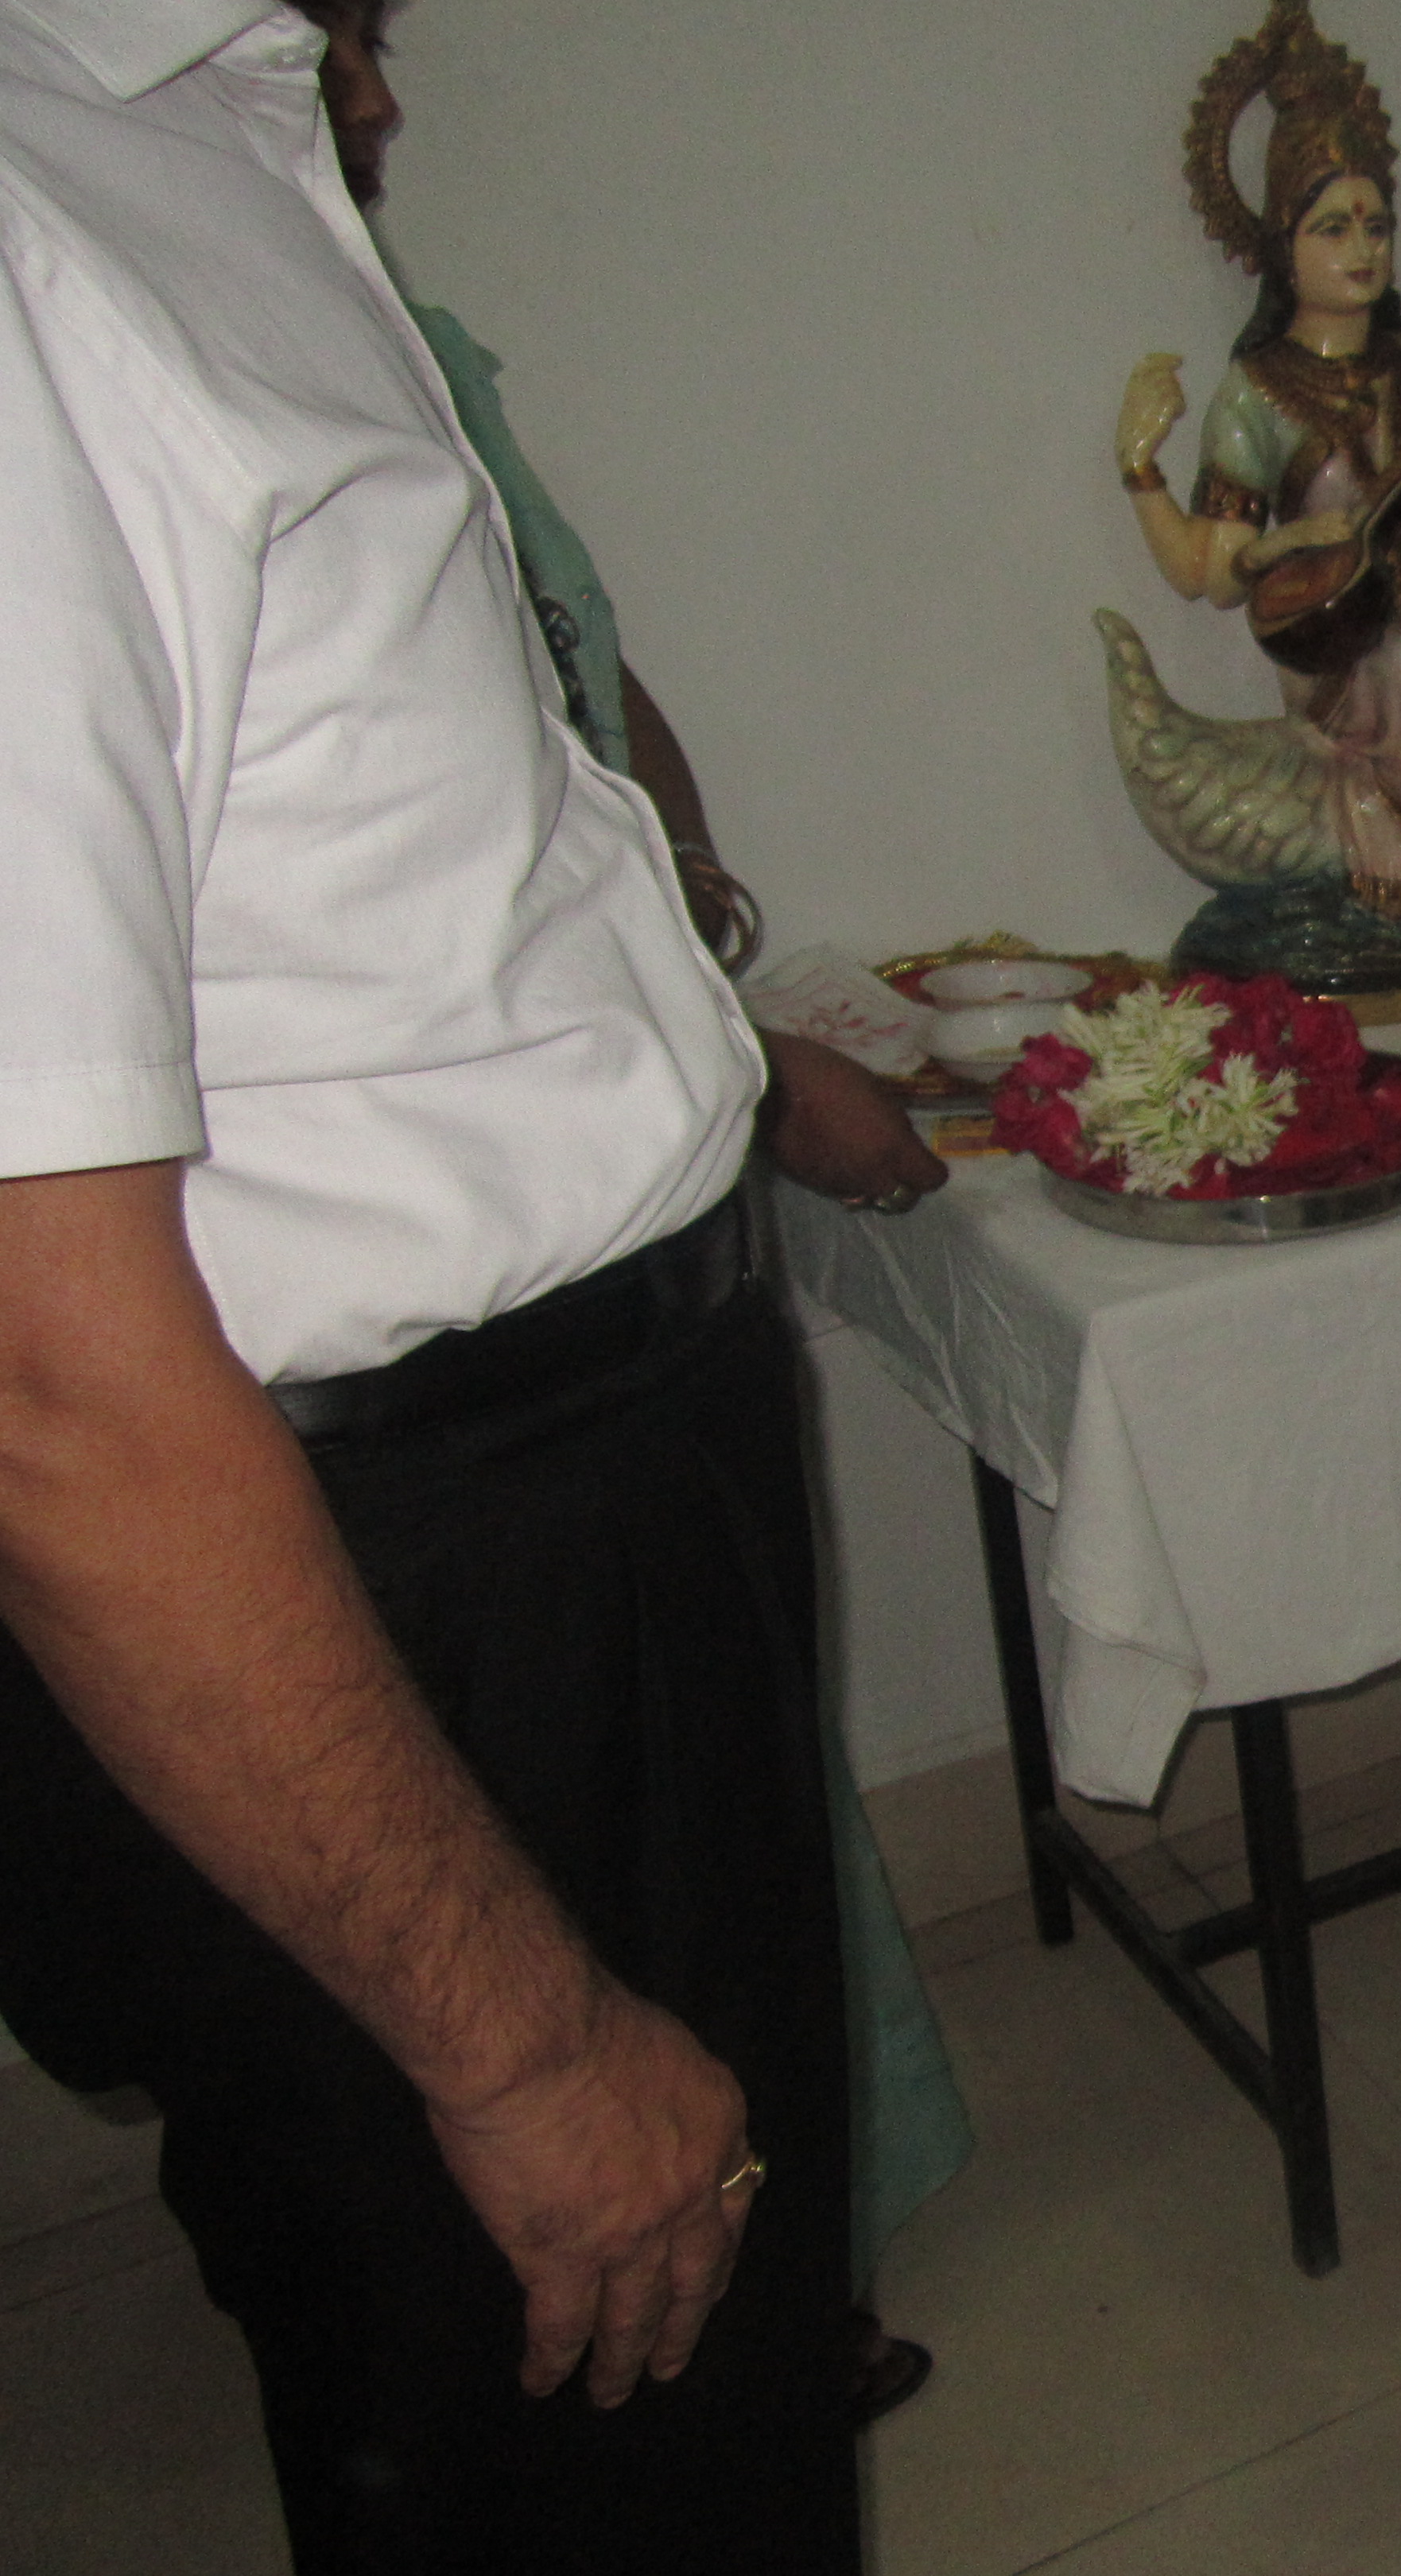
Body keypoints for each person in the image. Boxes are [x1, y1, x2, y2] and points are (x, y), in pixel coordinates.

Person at [0, 2, 859, 2564]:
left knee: (723, 2432)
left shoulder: (206, 133)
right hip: (398, 1591)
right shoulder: (27, 224)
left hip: (586, 1515)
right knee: (567, 2465)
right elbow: (44, 1378)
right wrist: (524, 2046)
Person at [296, 0, 968, 2424]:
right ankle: (669, 2324)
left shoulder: (413, 348)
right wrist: (763, 1075)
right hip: (472, 1404)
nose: (378, 96)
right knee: (569, 1915)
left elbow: (582, 680)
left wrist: (692, 899)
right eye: (331, 47)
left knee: (740, 1836)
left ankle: (780, 2281)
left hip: (646, 1322)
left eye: (381, 45)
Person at [1116, 0, 1401, 934]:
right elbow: (1216, 575)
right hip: (1332, 640)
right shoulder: (1257, 393)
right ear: (1284, 250)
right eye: (1332, 228)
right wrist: (1141, 469)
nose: (1363, 250)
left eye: (1376, 225)